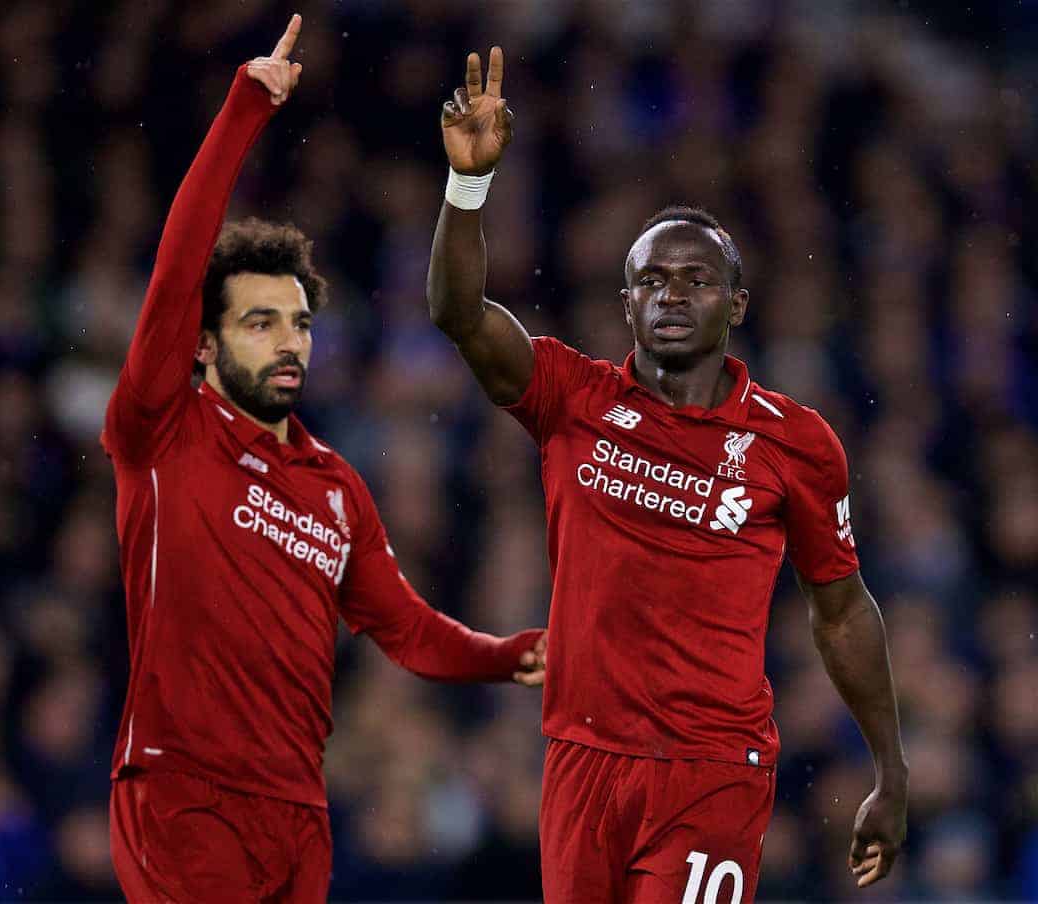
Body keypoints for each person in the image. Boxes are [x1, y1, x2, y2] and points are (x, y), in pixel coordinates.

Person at [427, 46, 908, 904]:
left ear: (737, 304)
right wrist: (469, 187)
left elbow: (840, 609)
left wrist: (888, 769)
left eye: (698, 279)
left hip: (711, 771)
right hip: (581, 757)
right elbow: (459, 314)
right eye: (652, 279)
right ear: (627, 305)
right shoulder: (571, 396)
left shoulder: (795, 442)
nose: (673, 294)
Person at [101, 19, 547, 902]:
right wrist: (244, 110)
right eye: (259, 322)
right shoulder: (163, 431)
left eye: (299, 322)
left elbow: (407, 630)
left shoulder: (337, 486)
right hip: (185, 795)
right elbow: (178, 265)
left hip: (301, 813)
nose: (288, 341)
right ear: (201, 346)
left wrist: (512, 655)